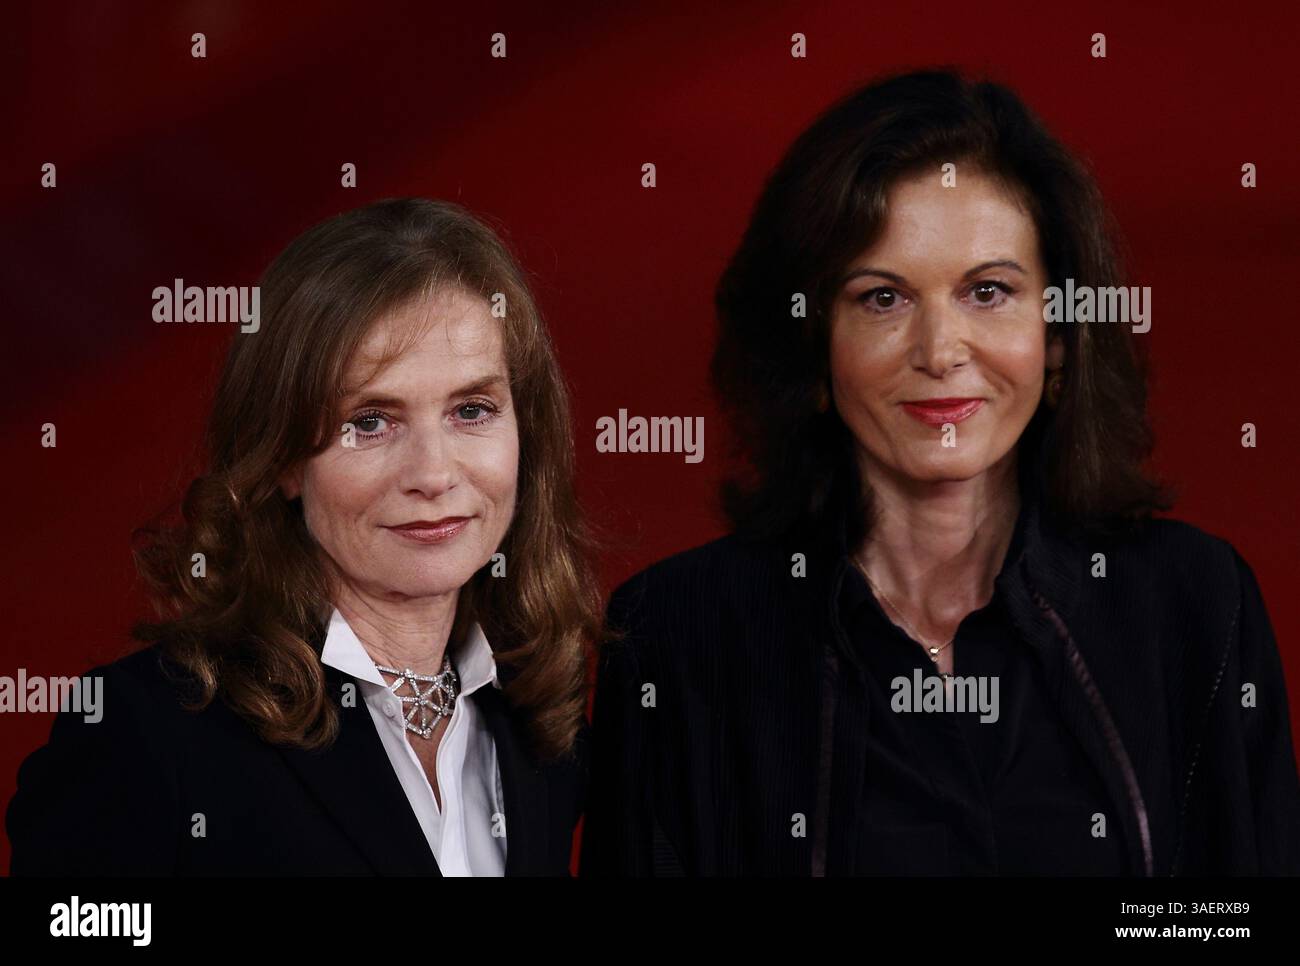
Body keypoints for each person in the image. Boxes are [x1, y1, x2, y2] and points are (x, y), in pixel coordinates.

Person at [580, 69, 1300, 876]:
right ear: (813, 349)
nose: (941, 352)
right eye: (883, 299)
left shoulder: (1196, 604)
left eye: (988, 291)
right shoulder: (678, 636)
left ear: (1059, 338)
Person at [8, 198, 602, 875]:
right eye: (371, 422)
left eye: (472, 410)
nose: (434, 474)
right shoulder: (145, 731)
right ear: (285, 458)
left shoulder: (539, 718)